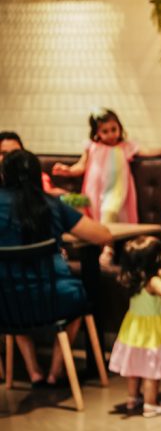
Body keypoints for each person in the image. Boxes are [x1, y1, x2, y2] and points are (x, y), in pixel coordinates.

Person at [0, 150, 111, 386]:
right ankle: (55, 371)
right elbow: (102, 235)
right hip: (54, 299)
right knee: (79, 297)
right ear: (37, 175)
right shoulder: (51, 205)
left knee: (12, 296)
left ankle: (33, 372)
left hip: (5, 303)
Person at [51, 108, 161, 224]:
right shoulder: (92, 147)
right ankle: (104, 246)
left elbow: (147, 152)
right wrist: (68, 170)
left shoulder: (125, 147)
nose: (111, 134)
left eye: (114, 129)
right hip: (94, 191)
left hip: (115, 192)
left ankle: (108, 248)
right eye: (105, 131)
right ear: (97, 133)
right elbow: (81, 166)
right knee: (95, 217)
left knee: (109, 213)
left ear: (120, 127)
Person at [108, 235, 161, 417]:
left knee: (135, 366)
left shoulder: (133, 278)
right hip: (151, 333)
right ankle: (150, 404)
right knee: (151, 369)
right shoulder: (153, 282)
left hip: (134, 329)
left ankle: (133, 397)